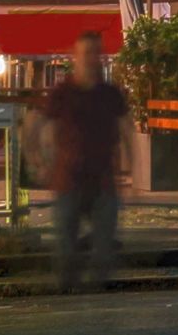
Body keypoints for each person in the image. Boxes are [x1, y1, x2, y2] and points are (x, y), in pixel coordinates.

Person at [42, 29, 130, 292]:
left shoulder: (109, 93)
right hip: (69, 177)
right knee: (66, 246)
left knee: (104, 244)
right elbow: (39, 123)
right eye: (86, 53)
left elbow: (127, 129)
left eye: (96, 53)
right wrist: (39, 158)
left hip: (102, 178)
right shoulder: (64, 93)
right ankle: (69, 287)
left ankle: (96, 288)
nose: (92, 59)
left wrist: (131, 167)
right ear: (76, 57)